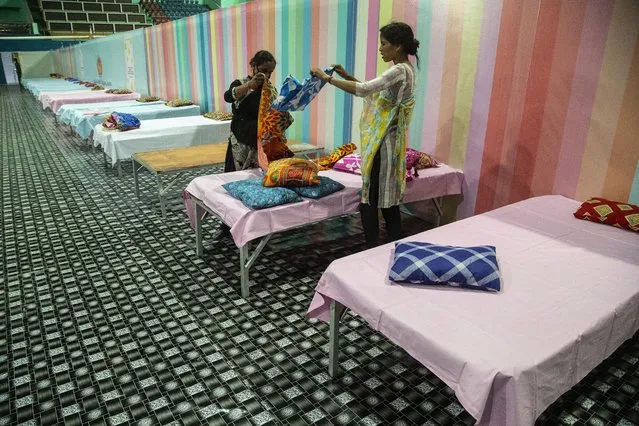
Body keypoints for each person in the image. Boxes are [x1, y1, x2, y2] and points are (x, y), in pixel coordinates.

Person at [311, 22, 420, 247]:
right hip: (391, 143)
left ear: (398, 46)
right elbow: (371, 89)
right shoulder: (407, 70)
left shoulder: (399, 70)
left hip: (383, 145)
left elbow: (364, 90)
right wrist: (346, 74)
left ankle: (371, 249)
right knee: (388, 203)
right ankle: (394, 243)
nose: (381, 49)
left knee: (369, 201)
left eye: (384, 44)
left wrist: (327, 78)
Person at [223, 50, 277, 172]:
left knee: (258, 176)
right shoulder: (241, 84)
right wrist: (249, 85)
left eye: (270, 72)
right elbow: (228, 97)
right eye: (264, 70)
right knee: (237, 175)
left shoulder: (270, 89)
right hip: (241, 137)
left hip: (261, 139)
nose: (267, 75)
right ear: (254, 66)